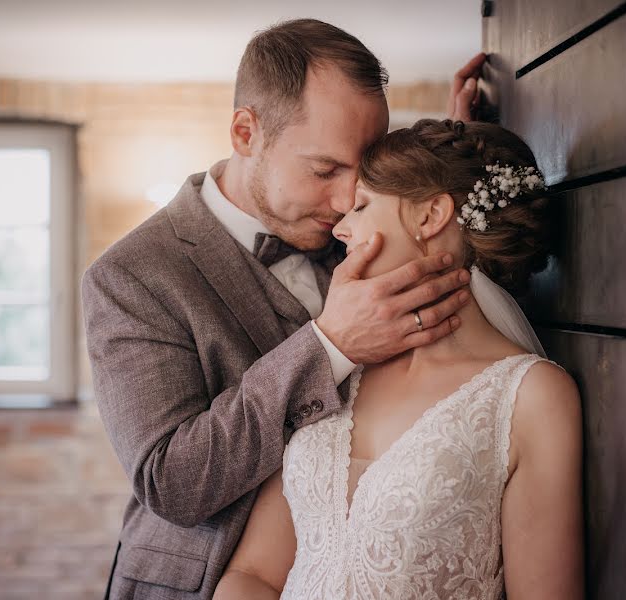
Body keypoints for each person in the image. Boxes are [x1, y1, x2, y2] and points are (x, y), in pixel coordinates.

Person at [81, 19, 485, 600]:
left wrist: (451, 164)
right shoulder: (129, 277)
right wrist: (330, 347)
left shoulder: (357, 230)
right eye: (325, 169)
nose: (348, 200)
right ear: (246, 133)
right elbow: (170, 481)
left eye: (364, 165)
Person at [213, 119, 585, 599]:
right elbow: (254, 575)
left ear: (430, 217)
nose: (341, 228)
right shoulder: (341, 370)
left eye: (362, 207)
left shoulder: (532, 398)